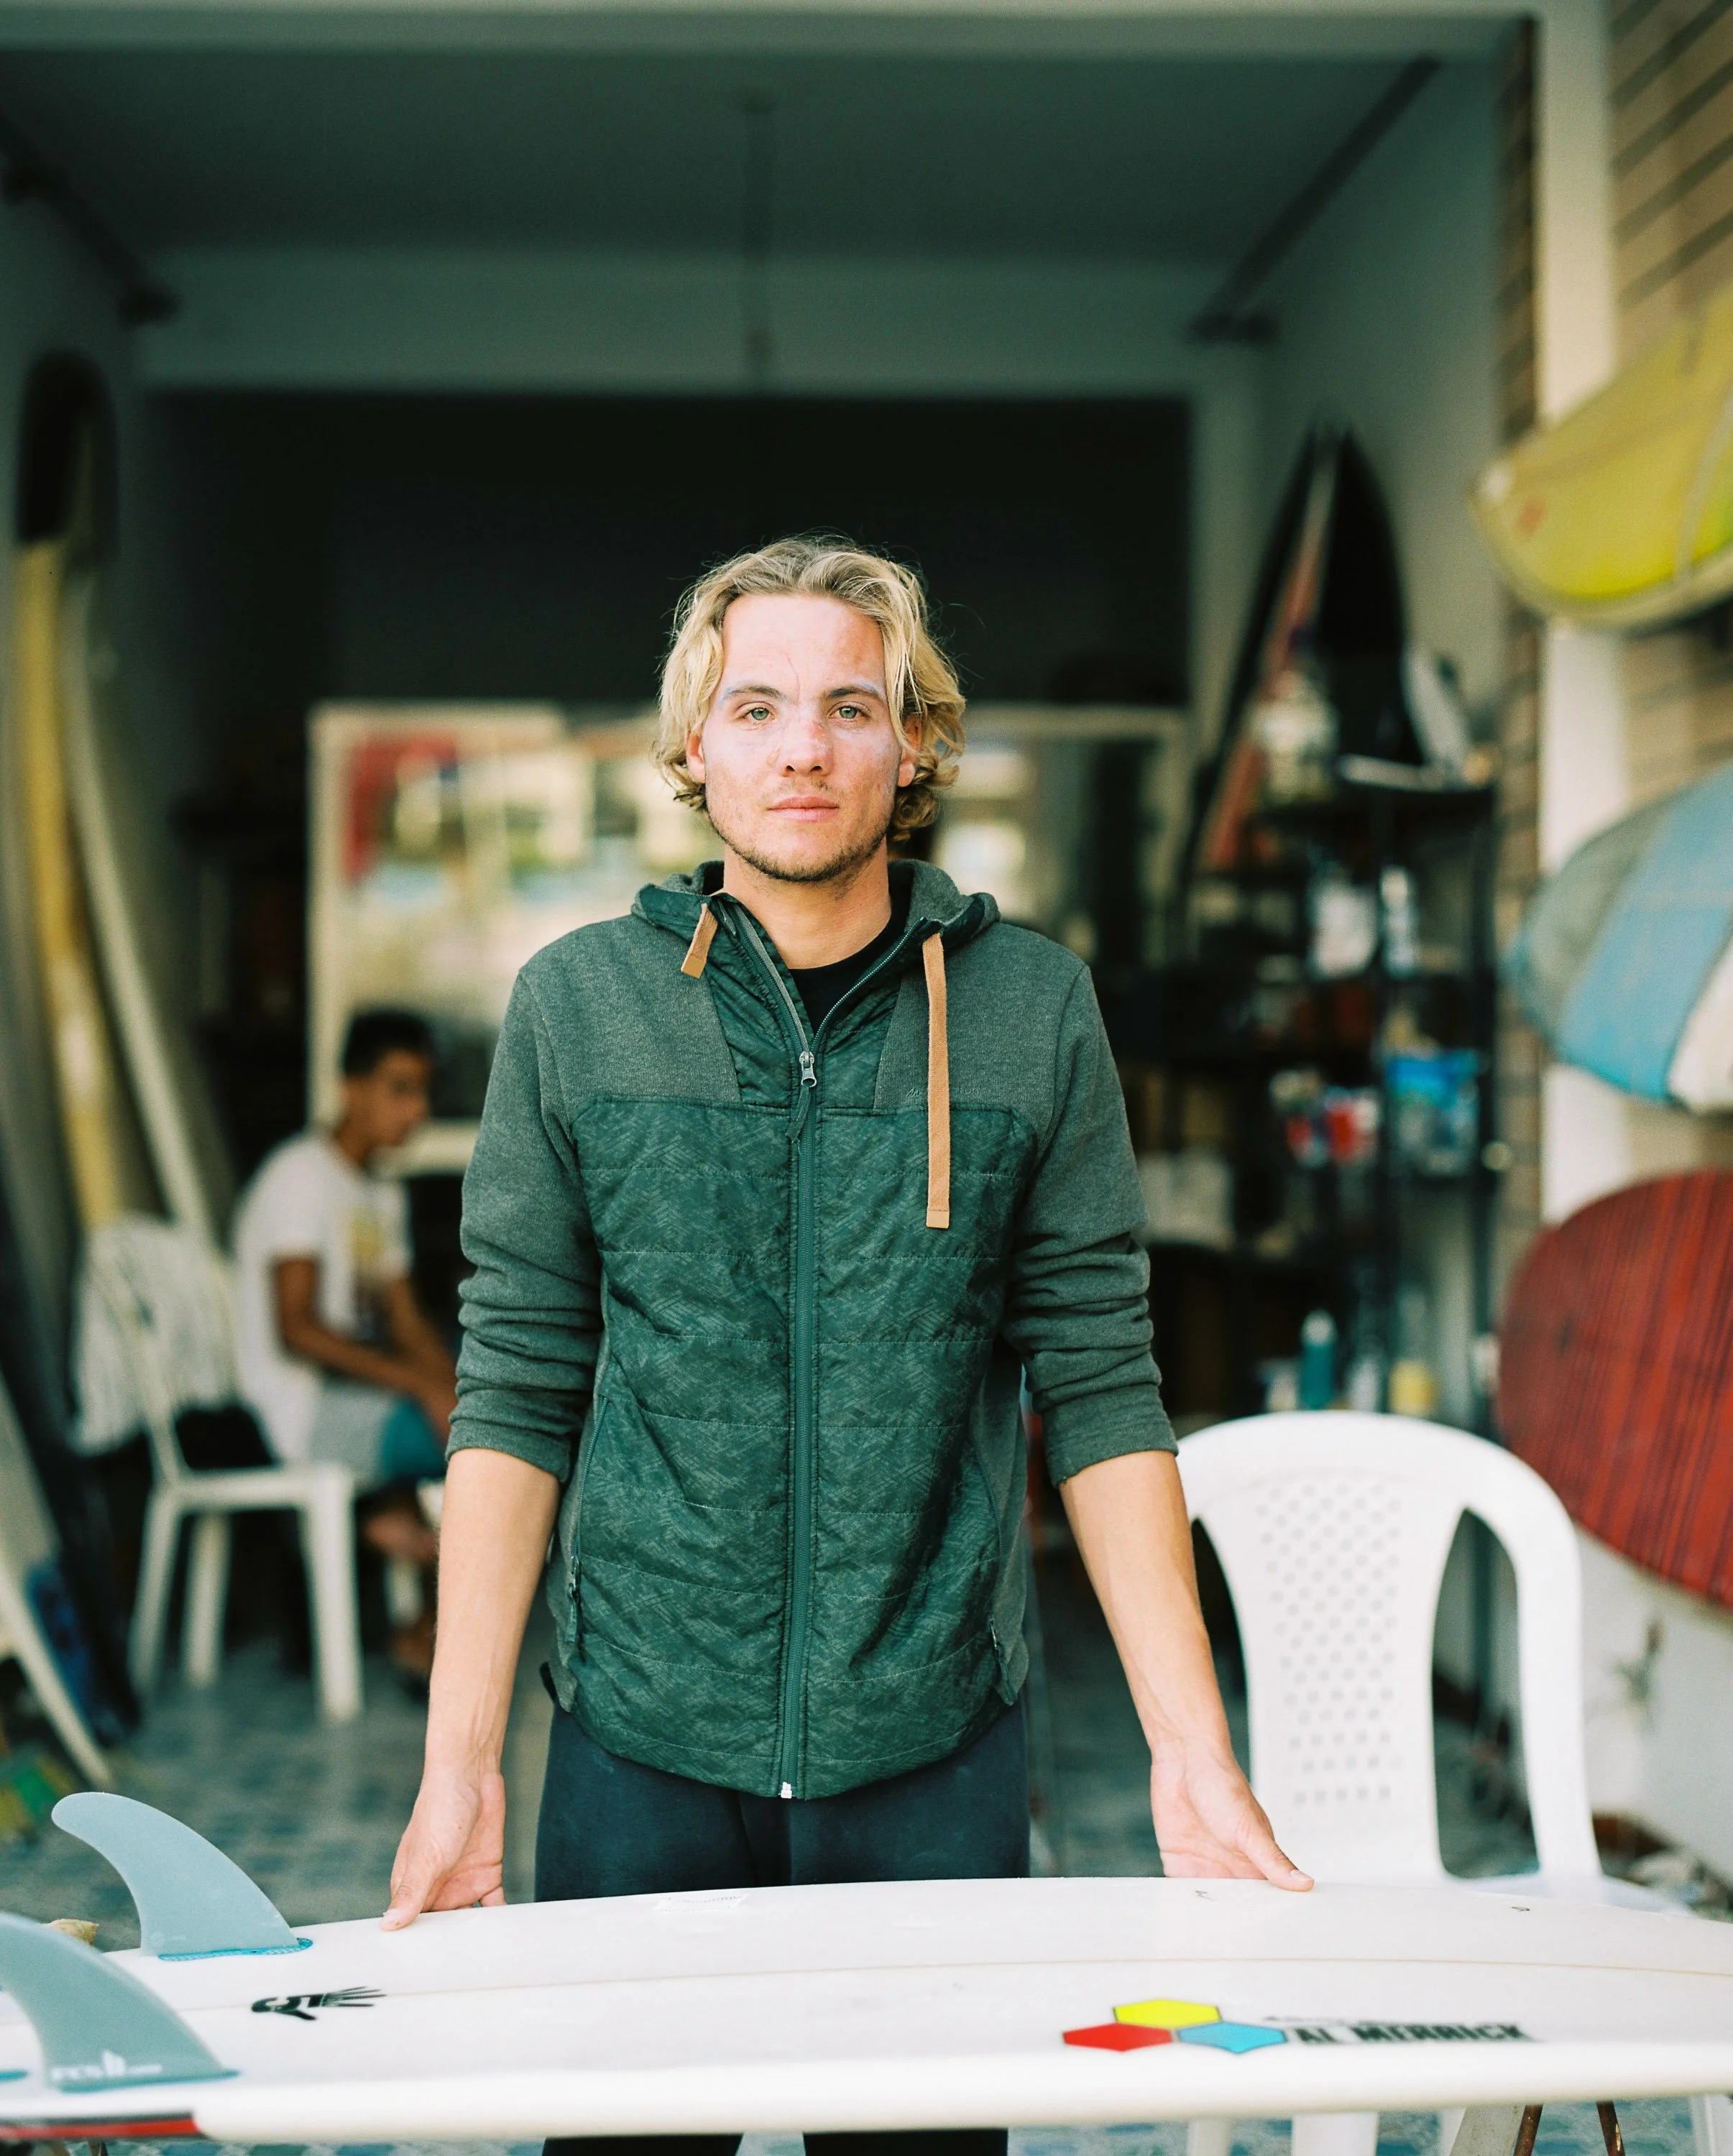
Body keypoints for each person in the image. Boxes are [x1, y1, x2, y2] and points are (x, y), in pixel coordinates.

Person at [385, 538, 1308, 2156]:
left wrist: (1191, 1749)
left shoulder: (1031, 1011)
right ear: (694, 747)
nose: (799, 748)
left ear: (913, 747)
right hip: (639, 1737)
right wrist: (461, 1762)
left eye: (846, 706)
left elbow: (1097, 1384)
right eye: (753, 706)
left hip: (930, 1747)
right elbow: (516, 1391)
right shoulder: (579, 1007)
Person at [232, 1007, 455, 1671]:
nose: (414, 1110)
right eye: (398, 1088)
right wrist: (424, 1388)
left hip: (357, 1401)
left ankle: (426, 1615)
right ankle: (425, 1634)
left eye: (423, 1091)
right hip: (299, 1410)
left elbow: (407, 1321)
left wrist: (455, 1386)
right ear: (348, 1087)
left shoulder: (378, 1194)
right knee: (485, 1450)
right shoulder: (300, 1175)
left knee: (487, 1422)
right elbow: (296, 1328)